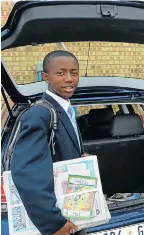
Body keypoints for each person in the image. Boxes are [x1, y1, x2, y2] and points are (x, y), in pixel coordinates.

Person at [11, 50, 87, 235]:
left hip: (71, 209)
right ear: (46, 77)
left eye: (74, 73)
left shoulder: (65, 109)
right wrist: (52, 223)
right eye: (60, 73)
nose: (69, 79)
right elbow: (27, 172)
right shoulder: (40, 113)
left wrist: (81, 159)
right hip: (56, 219)